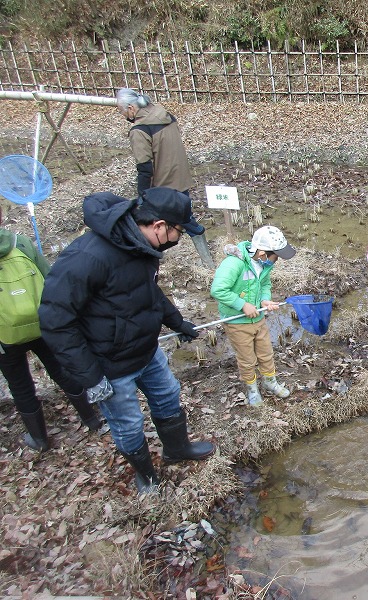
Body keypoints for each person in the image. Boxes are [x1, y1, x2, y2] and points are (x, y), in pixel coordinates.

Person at [38, 187, 215, 494]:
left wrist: (177, 322)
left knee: (168, 395)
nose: (179, 239)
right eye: (178, 232)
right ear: (159, 226)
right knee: (129, 423)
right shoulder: (87, 256)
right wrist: (91, 377)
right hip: (110, 365)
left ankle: (176, 449)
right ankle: (145, 475)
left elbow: (148, 292)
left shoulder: (140, 247)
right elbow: (55, 322)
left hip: (146, 351)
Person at [0, 206, 104, 451]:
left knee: (20, 384)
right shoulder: (21, 243)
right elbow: (51, 279)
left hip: (5, 335)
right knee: (60, 369)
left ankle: (39, 439)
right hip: (42, 322)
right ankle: (91, 419)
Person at [115, 87, 215, 269]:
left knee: (154, 222)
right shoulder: (165, 115)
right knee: (184, 216)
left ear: (131, 108)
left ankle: (152, 260)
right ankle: (206, 259)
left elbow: (145, 167)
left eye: (121, 111)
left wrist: (143, 195)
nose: (123, 115)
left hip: (162, 184)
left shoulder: (140, 129)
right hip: (180, 177)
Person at [210, 226, 295, 406]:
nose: (276, 260)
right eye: (276, 256)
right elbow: (218, 290)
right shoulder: (234, 264)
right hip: (237, 322)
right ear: (263, 253)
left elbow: (265, 285)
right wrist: (242, 305)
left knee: (266, 352)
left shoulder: (263, 265)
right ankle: (252, 388)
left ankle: (270, 381)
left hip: (258, 318)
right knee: (247, 358)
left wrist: (264, 300)